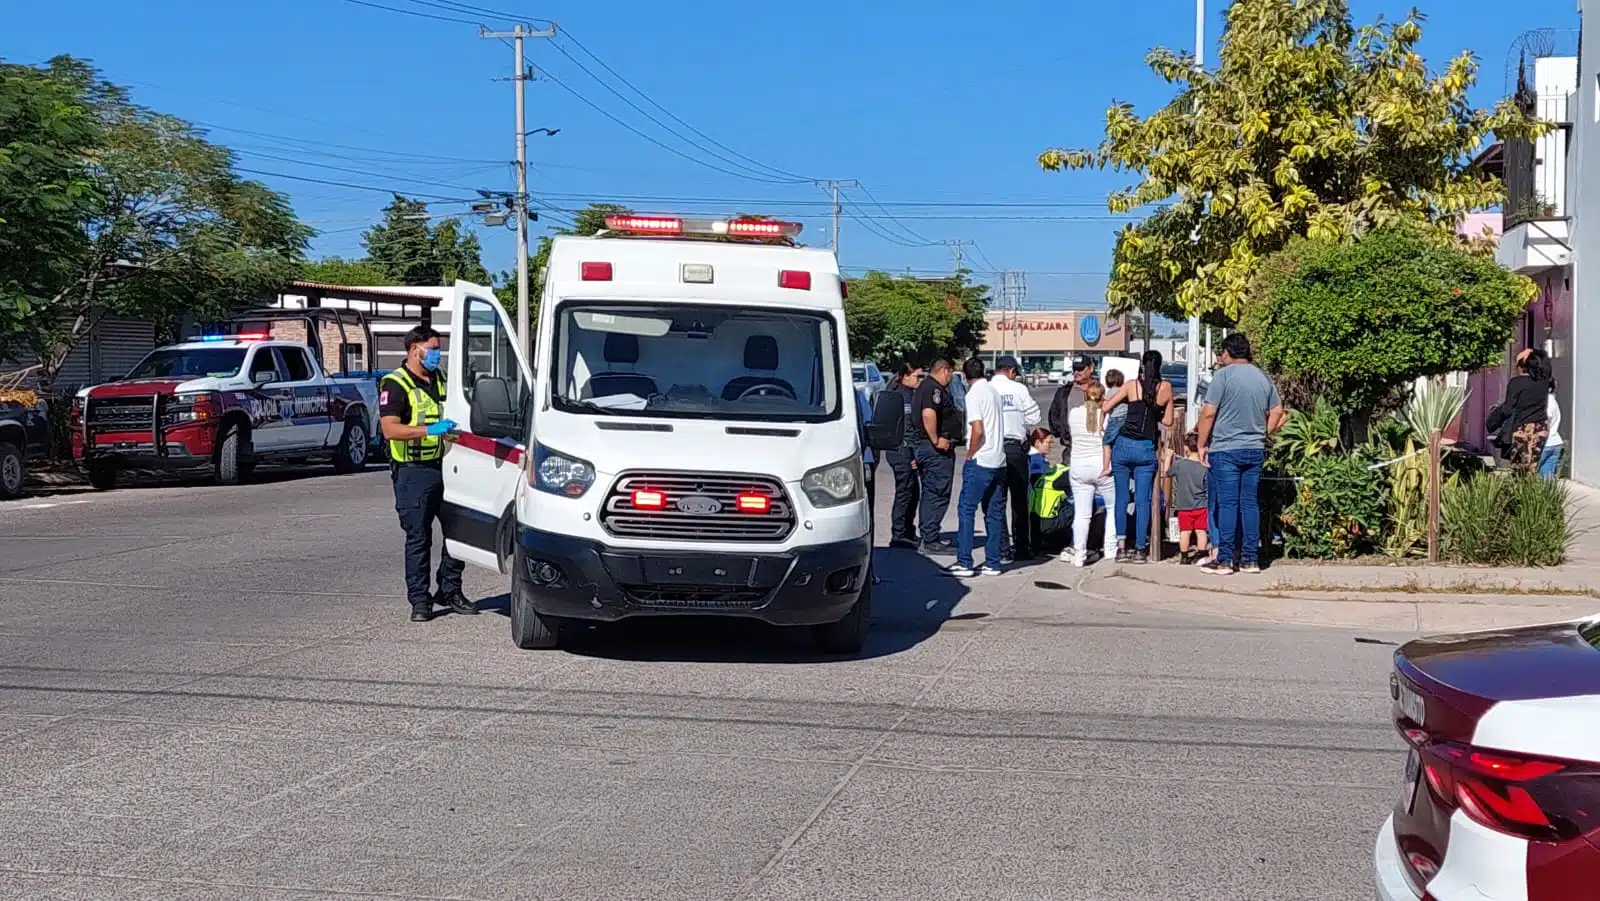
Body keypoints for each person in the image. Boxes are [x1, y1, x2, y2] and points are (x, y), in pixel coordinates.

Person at [379, 325, 477, 622]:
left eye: (438, 348)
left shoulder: (443, 379)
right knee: (419, 537)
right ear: (414, 349)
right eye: (433, 348)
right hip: (414, 473)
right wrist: (428, 430)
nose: (437, 354)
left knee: (458, 533)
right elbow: (389, 429)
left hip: (447, 466)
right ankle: (420, 601)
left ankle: (450, 589)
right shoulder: (394, 383)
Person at [1196, 334, 1285, 576]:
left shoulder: (1222, 377)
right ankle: (1250, 559)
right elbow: (1278, 411)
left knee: (1227, 504)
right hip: (1254, 448)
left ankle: (1224, 559)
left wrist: (1201, 444)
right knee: (1249, 503)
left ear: (1227, 353)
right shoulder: (1262, 377)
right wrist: (1262, 433)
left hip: (1226, 448)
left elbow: (1208, 413)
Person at [1102, 350, 1174, 563]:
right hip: (1145, 447)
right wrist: (1160, 410)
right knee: (1143, 501)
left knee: (1122, 498)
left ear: (1142, 366)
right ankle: (1141, 549)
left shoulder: (1131, 385)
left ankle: (1122, 548)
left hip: (1123, 445)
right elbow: (1168, 421)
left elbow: (1106, 406)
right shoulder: (1165, 388)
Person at [949, 358, 1007, 577]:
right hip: (999, 459)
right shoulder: (993, 391)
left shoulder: (973, 394)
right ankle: (993, 561)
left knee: (966, 508)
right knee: (993, 512)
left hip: (981, 459)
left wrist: (971, 451)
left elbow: (978, 429)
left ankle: (965, 561)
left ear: (965, 376)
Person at [991, 356, 1043, 560]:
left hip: (993, 449)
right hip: (1015, 449)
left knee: (997, 501)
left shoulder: (986, 389)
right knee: (1019, 501)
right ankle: (1021, 548)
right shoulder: (1019, 390)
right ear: (1012, 371)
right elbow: (1034, 417)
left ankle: (1002, 549)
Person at [1064, 380, 1117, 567]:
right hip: (1101, 464)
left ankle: (1079, 553)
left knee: (1082, 513)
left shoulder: (1073, 414)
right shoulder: (1106, 415)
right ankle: (1110, 549)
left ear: (1085, 395)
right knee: (1112, 507)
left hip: (1078, 465)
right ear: (1103, 396)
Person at [912, 359, 960, 553]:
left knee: (932, 492)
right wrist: (936, 439)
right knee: (937, 493)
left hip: (930, 448)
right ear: (944, 370)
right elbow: (928, 414)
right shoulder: (933, 389)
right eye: (951, 373)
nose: (950, 378)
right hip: (935, 450)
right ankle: (930, 540)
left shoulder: (927, 387)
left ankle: (930, 536)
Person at [1491, 348, 1554, 474]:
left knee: (1519, 469)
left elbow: (1507, 409)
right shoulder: (1544, 382)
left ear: (1523, 365)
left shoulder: (1516, 383)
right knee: (1532, 467)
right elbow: (1546, 367)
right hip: (1541, 428)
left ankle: (1521, 492)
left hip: (1522, 430)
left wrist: (1494, 418)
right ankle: (1531, 492)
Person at [885, 364, 923, 548]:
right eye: (917, 377)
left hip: (901, 450)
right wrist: (911, 455)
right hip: (902, 451)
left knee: (913, 492)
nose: (920, 381)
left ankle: (907, 530)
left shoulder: (903, 393)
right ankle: (899, 534)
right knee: (905, 492)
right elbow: (908, 429)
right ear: (906, 376)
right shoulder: (904, 396)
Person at [1165, 432, 1210, 565]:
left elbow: (1166, 473)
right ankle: (1202, 555)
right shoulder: (1204, 467)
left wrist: (1168, 457)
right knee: (1201, 531)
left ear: (1186, 448)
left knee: (1185, 531)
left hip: (1184, 505)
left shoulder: (1180, 464)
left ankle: (1184, 556)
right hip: (1201, 505)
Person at [1027, 427, 1072, 554]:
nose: (1051, 446)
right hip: (1045, 517)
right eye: (1048, 442)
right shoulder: (1037, 461)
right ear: (1037, 443)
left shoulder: (1034, 458)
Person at [1047, 357, 1096, 460]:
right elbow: (1053, 414)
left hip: (1096, 448)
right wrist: (1064, 433)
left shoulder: (1101, 389)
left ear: (1091, 369)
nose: (1077, 372)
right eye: (1075, 369)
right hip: (1072, 448)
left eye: (1081, 369)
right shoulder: (1064, 392)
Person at [1540, 378, 1564, 480]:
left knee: (1534, 475)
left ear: (1549, 388)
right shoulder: (1554, 401)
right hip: (1555, 441)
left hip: (1546, 443)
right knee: (1548, 477)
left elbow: (1548, 417)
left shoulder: (1547, 401)